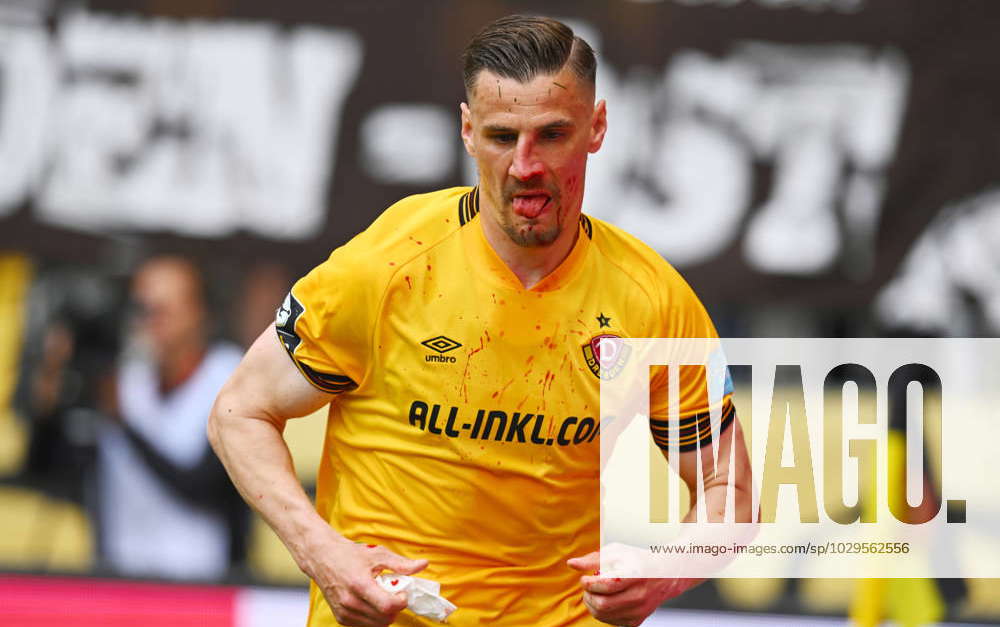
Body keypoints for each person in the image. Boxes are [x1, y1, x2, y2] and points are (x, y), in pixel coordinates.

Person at [209, 14, 752, 626]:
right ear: (466, 131)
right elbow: (239, 412)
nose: (525, 165)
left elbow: (730, 494)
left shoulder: (652, 300)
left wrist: (662, 571)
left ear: (596, 127)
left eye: (552, 134)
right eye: (501, 136)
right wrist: (321, 552)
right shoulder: (387, 267)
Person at [97, 255, 246, 580]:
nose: (148, 322)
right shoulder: (126, 378)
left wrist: (125, 425)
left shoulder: (229, 374)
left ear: (198, 313)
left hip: (202, 583)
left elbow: (205, 485)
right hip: (121, 577)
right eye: (142, 310)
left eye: (161, 311)